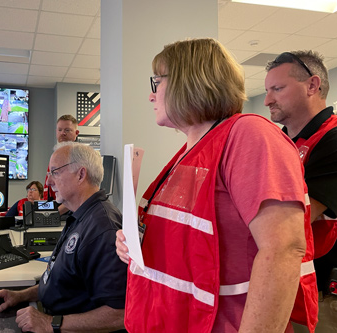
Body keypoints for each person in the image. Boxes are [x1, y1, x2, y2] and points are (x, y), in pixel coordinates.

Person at [115, 38, 318, 332]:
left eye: (157, 82)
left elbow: (283, 249)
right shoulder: (189, 152)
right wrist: (135, 244)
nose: (151, 95)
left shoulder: (249, 134)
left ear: (189, 81)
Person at [0, 142, 127, 333]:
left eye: (55, 172)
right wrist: (21, 295)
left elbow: (120, 314)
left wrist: (49, 323)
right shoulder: (81, 216)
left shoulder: (102, 229)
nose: (49, 182)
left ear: (81, 174)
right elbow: (60, 282)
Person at [265, 51, 337, 291]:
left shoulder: (332, 139)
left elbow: (296, 217)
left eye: (277, 88)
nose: (267, 100)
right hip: (280, 274)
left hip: (317, 286)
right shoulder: (280, 141)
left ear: (312, 86)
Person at [43, 114, 79, 215]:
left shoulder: (78, 157)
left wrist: (55, 214)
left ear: (76, 133)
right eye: (60, 130)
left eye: (67, 130)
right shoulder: (55, 155)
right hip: (53, 207)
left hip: (68, 213)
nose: (62, 133)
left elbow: (76, 194)